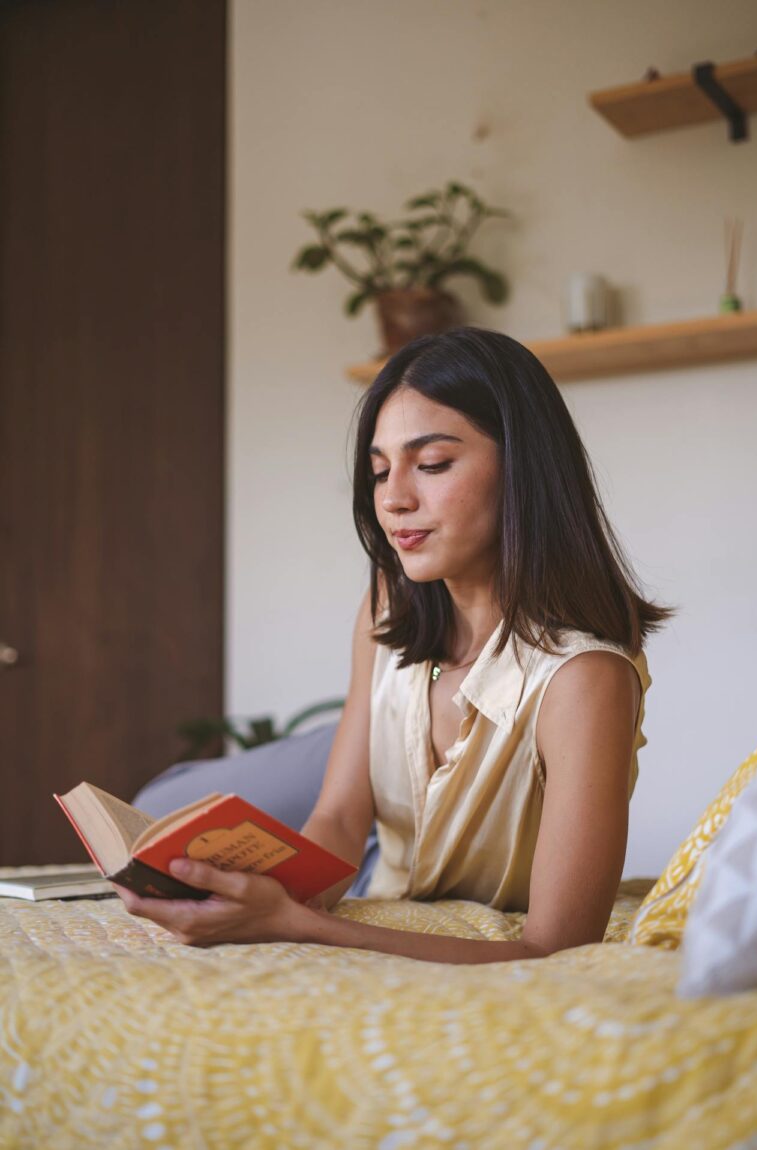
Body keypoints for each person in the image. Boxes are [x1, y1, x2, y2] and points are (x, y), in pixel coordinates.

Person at [117, 327, 674, 963]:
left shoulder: (585, 680)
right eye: (380, 470)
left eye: (432, 464)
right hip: (395, 812)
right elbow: (340, 821)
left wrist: (297, 924)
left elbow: (555, 947)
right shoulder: (390, 603)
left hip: (418, 833)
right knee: (155, 811)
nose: (393, 499)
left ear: (524, 468)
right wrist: (261, 902)